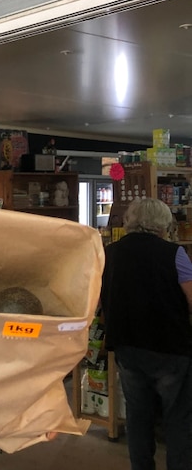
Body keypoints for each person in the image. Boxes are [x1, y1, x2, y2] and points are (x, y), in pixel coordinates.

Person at [101, 197, 192, 470]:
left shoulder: (111, 251)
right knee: (178, 417)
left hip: (127, 345)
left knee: (138, 416)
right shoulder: (174, 253)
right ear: (163, 224)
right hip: (169, 347)